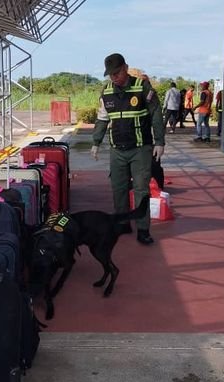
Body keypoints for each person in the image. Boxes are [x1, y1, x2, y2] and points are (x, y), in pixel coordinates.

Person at [90, 53, 165, 245]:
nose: (114, 77)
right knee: (119, 188)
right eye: (110, 74)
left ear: (125, 68)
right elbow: (102, 118)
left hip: (140, 149)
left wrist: (159, 142)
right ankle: (123, 224)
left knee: (141, 189)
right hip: (117, 150)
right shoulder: (106, 92)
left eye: (117, 73)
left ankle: (143, 230)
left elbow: (156, 113)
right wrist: (95, 143)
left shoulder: (142, 87)